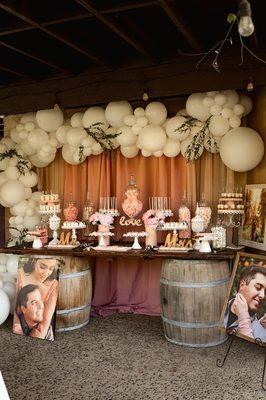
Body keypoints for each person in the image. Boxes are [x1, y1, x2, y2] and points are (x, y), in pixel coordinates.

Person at [14, 257, 58, 339]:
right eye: (42, 267)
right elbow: (16, 309)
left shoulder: (54, 284)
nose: (46, 273)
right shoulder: (20, 274)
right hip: (20, 324)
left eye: (51, 269)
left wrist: (39, 335)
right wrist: (18, 331)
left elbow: (46, 318)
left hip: (41, 329)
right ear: (34, 261)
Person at [223, 265, 266, 342]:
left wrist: (244, 318)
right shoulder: (219, 305)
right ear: (242, 285)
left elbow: (249, 353)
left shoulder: (262, 335)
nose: (263, 296)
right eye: (258, 287)